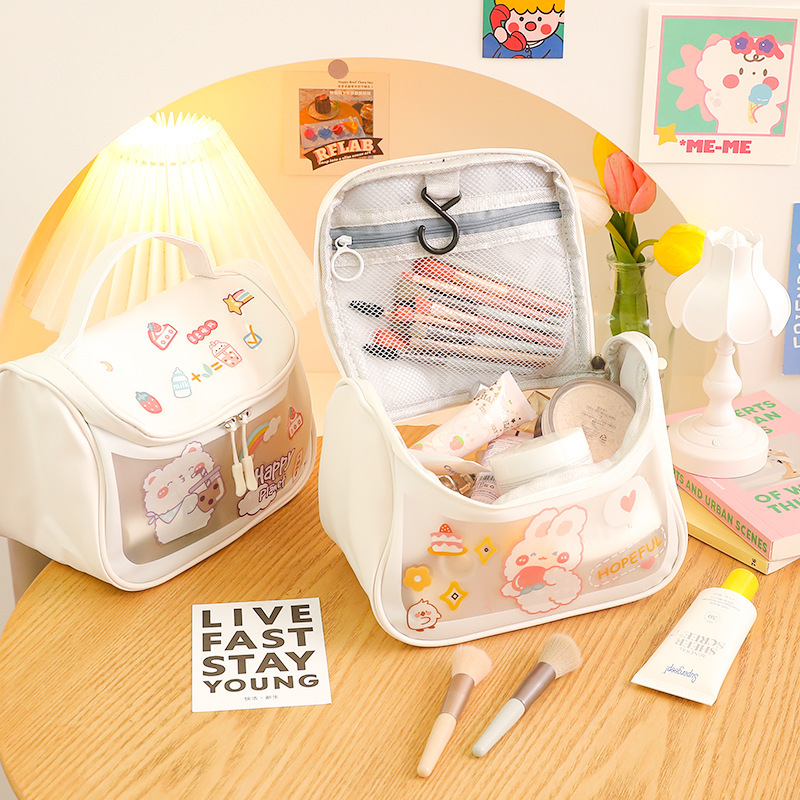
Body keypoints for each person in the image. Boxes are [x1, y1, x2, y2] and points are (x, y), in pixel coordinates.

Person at [483, 1, 564, 59]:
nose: (530, 26)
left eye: (540, 19)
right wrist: (499, 33)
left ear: (561, 17)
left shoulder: (555, 44)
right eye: (521, 18)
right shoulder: (495, 43)